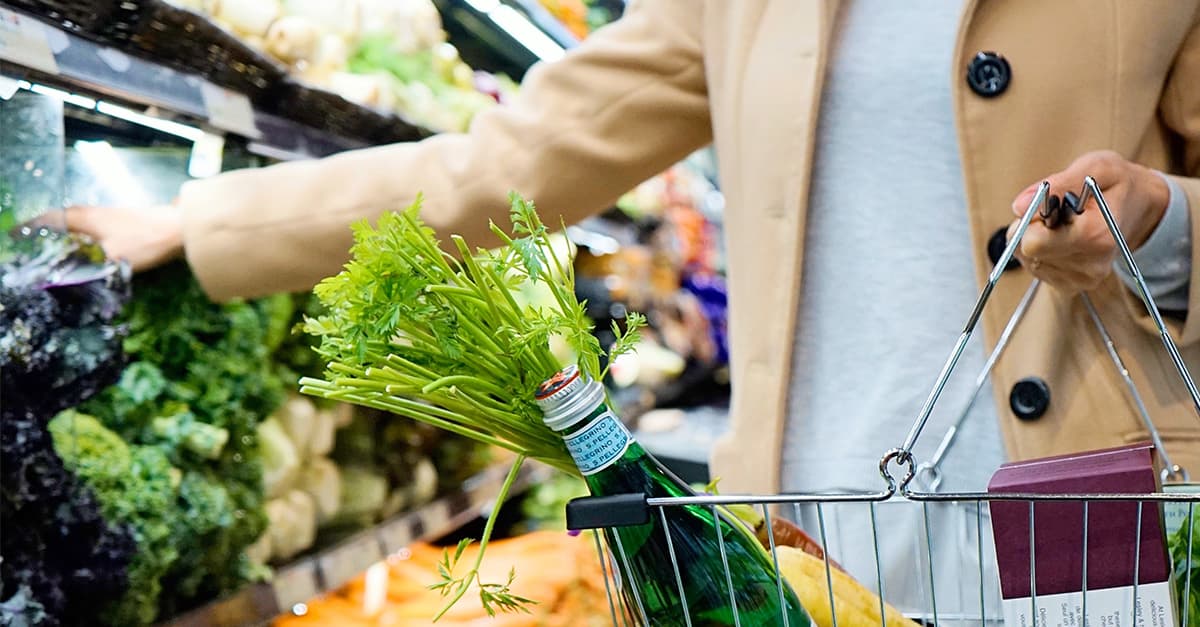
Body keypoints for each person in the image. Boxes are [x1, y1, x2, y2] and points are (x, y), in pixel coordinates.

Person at [62, 0, 1200, 617]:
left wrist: (1162, 225)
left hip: (1086, 530)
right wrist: (210, 224)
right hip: (806, 536)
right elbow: (504, 163)